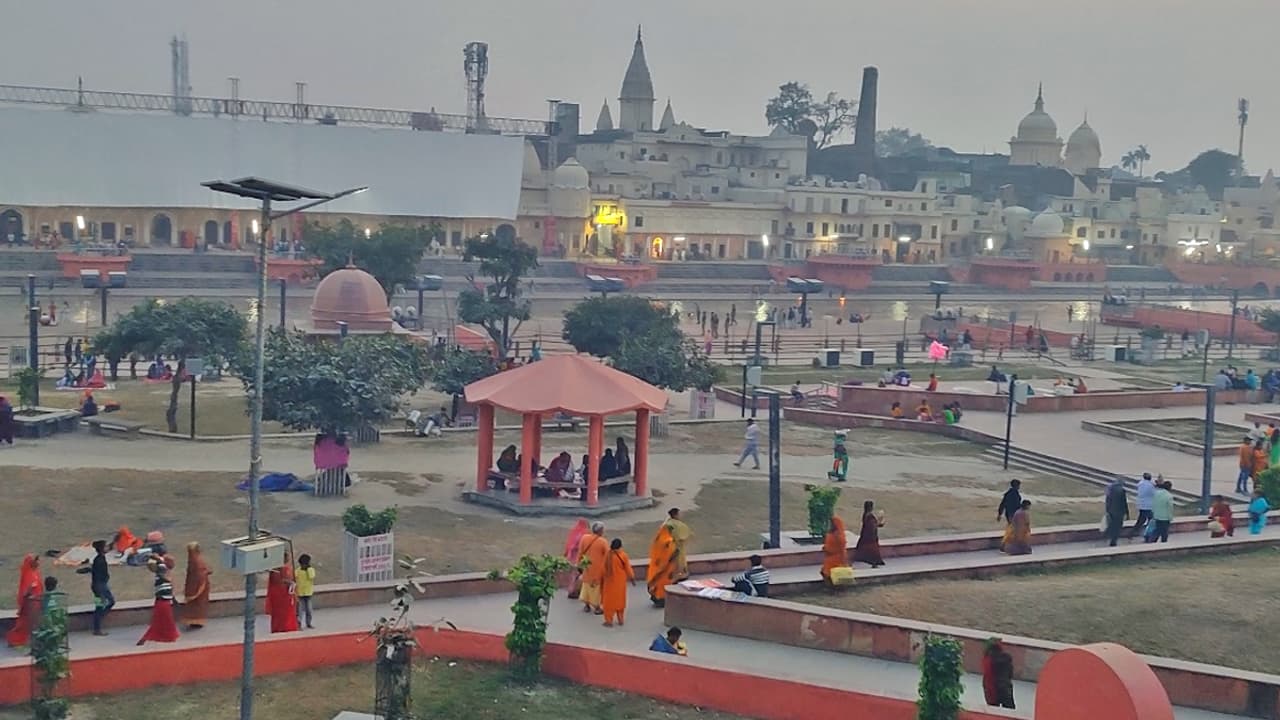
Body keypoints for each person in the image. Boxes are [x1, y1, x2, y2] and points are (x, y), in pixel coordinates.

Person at [76, 539, 115, 636]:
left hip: (102, 585)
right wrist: (100, 593)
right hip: (99, 586)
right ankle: (97, 626)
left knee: (108, 603)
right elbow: (96, 575)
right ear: (102, 548)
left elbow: (94, 570)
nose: (107, 548)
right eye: (105, 546)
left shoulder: (100, 558)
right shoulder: (99, 560)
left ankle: (98, 622)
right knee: (101, 606)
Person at [137, 559, 180, 645]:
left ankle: (149, 637)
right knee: (164, 621)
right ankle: (150, 637)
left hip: (162, 602)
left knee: (162, 621)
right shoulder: (162, 579)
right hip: (163, 602)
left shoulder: (161, 579)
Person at [5, 554, 42, 648]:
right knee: (24, 624)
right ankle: (14, 639)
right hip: (29, 604)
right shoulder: (29, 574)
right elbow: (27, 590)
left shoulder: (35, 572)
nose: (38, 562)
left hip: (35, 602)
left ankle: (24, 640)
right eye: (36, 560)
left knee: (29, 623)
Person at [646, 518, 680, 607]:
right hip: (665, 567)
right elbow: (670, 554)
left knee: (657, 582)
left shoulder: (658, 538)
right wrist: (675, 553)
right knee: (663, 583)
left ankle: (656, 596)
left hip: (656, 565)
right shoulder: (668, 541)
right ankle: (661, 598)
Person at [601, 538, 635, 627]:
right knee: (620, 601)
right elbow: (628, 568)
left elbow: (603, 569)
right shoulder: (623, 555)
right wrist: (632, 578)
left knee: (608, 603)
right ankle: (620, 620)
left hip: (609, 583)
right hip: (620, 582)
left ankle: (609, 621)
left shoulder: (608, 555)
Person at [577, 522, 608, 614]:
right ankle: (597, 607)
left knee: (586, 585)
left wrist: (579, 563)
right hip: (597, 569)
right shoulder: (603, 541)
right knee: (595, 588)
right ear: (600, 531)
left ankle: (586, 605)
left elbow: (580, 552)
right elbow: (608, 556)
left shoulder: (584, 538)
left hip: (586, 567)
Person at [181, 541, 212, 630]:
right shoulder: (195, 559)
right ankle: (195, 621)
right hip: (194, 585)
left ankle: (196, 621)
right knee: (196, 605)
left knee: (198, 604)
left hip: (198, 586)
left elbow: (200, 574)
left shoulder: (196, 561)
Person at [266, 554, 300, 633]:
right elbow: (280, 581)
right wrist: (290, 582)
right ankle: (285, 627)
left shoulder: (277, 569)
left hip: (281, 594)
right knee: (283, 613)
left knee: (281, 613)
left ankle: (282, 627)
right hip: (282, 594)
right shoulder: (279, 569)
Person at [982, 639, 1016, 709]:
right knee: (1009, 710)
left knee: (993, 709)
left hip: (991, 688)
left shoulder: (987, 659)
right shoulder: (1006, 658)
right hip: (1005, 687)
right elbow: (1010, 673)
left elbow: (987, 675)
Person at [852, 501, 886, 567]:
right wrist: (880, 523)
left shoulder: (865, 515)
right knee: (873, 552)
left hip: (865, 536)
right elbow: (872, 526)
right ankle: (874, 563)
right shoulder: (870, 516)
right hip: (871, 538)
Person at [820, 516, 850, 584]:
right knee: (826, 574)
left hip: (835, 559)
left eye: (831, 523)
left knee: (831, 576)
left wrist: (844, 561)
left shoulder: (839, 535)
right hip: (830, 558)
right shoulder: (832, 533)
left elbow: (842, 548)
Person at [665, 508, 693, 580]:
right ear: (675, 515)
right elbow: (683, 535)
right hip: (677, 546)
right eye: (679, 514)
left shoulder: (667, 523)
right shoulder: (678, 525)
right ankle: (680, 575)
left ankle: (673, 575)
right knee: (679, 561)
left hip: (668, 546)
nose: (681, 515)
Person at [997, 480, 1022, 551]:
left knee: (1012, 530)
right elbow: (1016, 505)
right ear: (1016, 486)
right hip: (1012, 514)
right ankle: (1004, 545)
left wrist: (1000, 514)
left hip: (1010, 514)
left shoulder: (1009, 493)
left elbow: (1002, 504)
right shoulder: (1013, 494)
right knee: (1012, 530)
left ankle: (1006, 545)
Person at [1104, 478, 1129, 547]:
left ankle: (1108, 534)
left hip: (1111, 511)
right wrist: (1127, 513)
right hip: (1119, 512)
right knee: (1118, 527)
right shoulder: (1122, 491)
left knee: (1112, 524)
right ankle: (1113, 541)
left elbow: (1107, 501)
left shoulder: (1110, 489)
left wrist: (1107, 510)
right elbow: (1124, 503)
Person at [295, 553, 316, 629]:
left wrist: (308, 569)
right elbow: (295, 578)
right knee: (300, 610)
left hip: (308, 592)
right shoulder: (297, 571)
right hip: (300, 593)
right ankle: (299, 624)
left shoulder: (311, 570)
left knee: (309, 610)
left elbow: (311, 577)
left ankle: (308, 623)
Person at [1132, 473, 1155, 539]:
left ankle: (1131, 533)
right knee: (1151, 520)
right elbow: (1154, 493)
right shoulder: (1150, 485)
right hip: (1148, 506)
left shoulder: (1140, 484)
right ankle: (1147, 534)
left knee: (1141, 520)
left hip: (1141, 505)